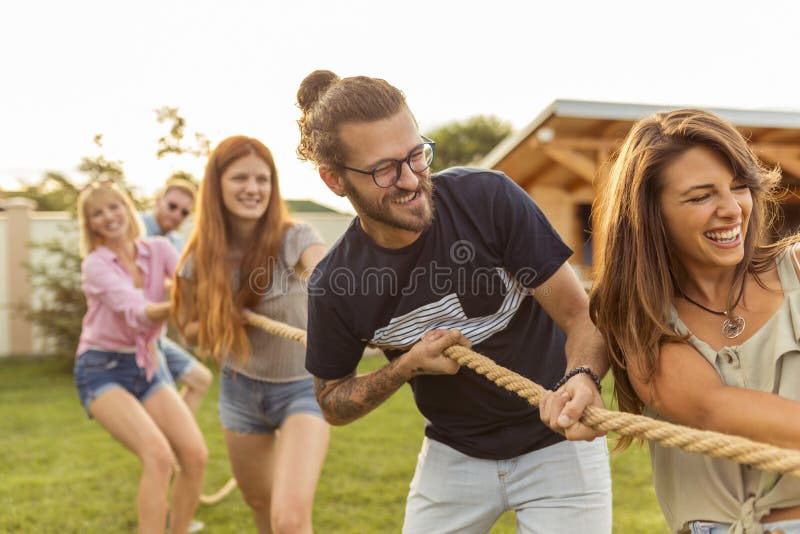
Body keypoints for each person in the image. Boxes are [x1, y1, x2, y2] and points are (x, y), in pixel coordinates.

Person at [296, 70, 612, 533]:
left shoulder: (488, 199)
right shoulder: (335, 284)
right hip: (453, 453)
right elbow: (333, 402)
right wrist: (406, 366)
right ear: (334, 180)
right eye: (385, 169)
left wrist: (583, 377)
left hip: (558, 443)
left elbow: (579, 315)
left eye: (416, 156)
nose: (410, 180)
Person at [590, 108, 800, 533]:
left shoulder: (796, 271)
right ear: (651, 214)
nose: (732, 209)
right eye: (701, 196)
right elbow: (710, 407)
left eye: (739, 187)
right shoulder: (643, 319)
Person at [172, 136, 330, 534]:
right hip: (241, 392)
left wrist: (333, 292)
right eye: (240, 177)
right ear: (217, 185)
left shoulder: (295, 236)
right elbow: (188, 329)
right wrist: (220, 321)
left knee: (290, 520)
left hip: (303, 390)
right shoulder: (199, 258)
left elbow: (327, 275)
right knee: (260, 506)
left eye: (263, 179)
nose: (253, 188)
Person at [74, 181, 207, 533]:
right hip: (101, 368)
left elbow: (187, 281)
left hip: (145, 363)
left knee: (194, 456)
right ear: (90, 225)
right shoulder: (96, 266)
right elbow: (139, 312)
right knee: (159, 457)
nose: (108, 216)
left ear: (127, 208)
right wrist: (181, 304)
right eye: (97, 213)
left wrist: (211, 295)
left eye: (113, 207)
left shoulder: (159, 248)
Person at [142, 177, 212, 415]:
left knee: (200, 379)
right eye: (172, 206)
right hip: (134, 339)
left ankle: (172, 441)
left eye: (184, 213)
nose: (176, 215)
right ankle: (171, 441)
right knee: (167, 400)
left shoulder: (176, 242)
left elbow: (184, 283)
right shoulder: (135, 228)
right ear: (158, 200)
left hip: (156, 335)